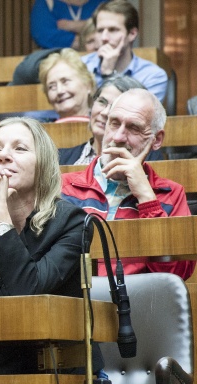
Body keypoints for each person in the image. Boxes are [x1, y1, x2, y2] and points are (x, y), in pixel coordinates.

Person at [0, 117, 92, 375]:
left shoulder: (71, 222)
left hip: (63, 372)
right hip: (0, 371)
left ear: (42, 165)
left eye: (20, 149)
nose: (4, 156)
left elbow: (27, 296)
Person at [61, 88, 195, 280]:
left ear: (156, 140)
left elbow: (174, 275)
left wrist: (147, 198)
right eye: (114, 123)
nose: (118, 137)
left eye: (134, 128)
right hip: (75, 304)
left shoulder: (171, 194)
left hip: (136, 306)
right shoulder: (64, 186)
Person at [58, 76, 164, 165]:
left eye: (115, 106)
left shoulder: (150, 161)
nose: (104, 112)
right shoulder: (61, 158)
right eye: (102, 102)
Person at [80, 0, 167, 102]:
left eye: (113, 30)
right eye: (100, 30)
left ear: (132, 34)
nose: (104, 38)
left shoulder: (152, 75)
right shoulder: (80, 66)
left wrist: (109, 74)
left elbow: (135, 115)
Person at [38, 48, 96, 123]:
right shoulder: (42, 132)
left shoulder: (105, 128)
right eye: (52, 86)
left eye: (65, 82)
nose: (59, 91)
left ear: (88, 85)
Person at [30, 0, 102, 49]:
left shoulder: (104, 2)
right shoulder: (47, 2)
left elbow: (111, 28)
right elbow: (44, 36)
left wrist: (72, 25)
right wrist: (92, 35)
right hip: (56, 60)